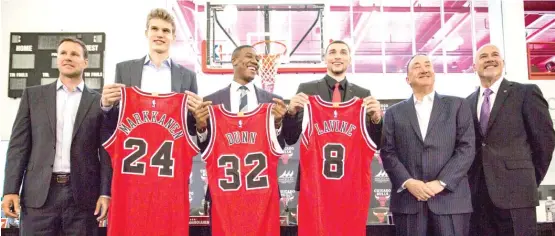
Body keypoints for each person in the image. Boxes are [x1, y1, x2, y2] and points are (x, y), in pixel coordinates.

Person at [1, 37, 111, 235]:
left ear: (85, 62)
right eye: (63, 53)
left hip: (83, 198)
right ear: (57, 59)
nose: (68, 57)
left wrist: (105, 193)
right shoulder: (33, 96)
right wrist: (10, 189)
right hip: (39, 196)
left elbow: (106, 152)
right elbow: (18, 147)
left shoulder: (99, 102)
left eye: (74, 54)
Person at [380, 54, 475, 236]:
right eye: (417, 66)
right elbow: (388, 152)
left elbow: (467, 147)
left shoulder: (457, 105)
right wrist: (409, 182)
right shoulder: (393, 112)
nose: (423, 69)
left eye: (427, 65)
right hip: (409, 201)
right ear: (407, 79)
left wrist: (441, 182)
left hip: (450, 200)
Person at [466, 44, 555, 236]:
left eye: (495, 54)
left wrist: (527, 178)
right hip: (478, 198)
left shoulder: (526, 93)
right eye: (483, 56)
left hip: (517, 194)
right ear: (474, 66)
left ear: (503, 63)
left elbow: (545, 142)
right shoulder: (467, 102)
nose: (490, 59)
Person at [192, 44, 287, 219]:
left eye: (257, 59)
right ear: (234, 60)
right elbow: (204, 148)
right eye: (249, 56)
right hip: (224, 189)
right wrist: (201, 127)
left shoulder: (274, 102)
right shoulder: (210, 101)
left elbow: (279, 147)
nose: (255, 61)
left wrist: (278, 123)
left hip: (261, 190)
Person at [282, 40, 383, 191]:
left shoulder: (363, 95)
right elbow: (290, 138)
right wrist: (291, 113)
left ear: (349, 59)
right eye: (332, 52)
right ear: (325, 58)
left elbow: (376, 143)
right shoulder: (306, 89)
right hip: (313, 179)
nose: (337, 56)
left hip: (350, 178)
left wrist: (376, 120)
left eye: (343, 52)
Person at [100, 8, 201, 137]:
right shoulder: (124, 70)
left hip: (172, 152)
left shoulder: (188, 76)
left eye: (166, 31)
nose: (160, 34)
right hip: (133, 151)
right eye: (154, 29)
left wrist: (198, 117)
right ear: (147, 33)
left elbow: (191, 129)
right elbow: (113, 123)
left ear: (173, 37)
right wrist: (106, 106)